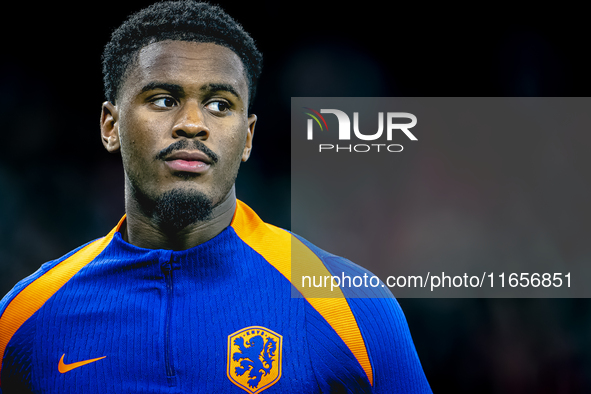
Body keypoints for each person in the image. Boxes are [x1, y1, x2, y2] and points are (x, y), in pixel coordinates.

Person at [0, 1, 432, 392]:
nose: (192, 123)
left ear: (247, 138)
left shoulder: (350, 306)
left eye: (220, 105)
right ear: (110, 126)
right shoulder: (24, 320)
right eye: (164, 99)